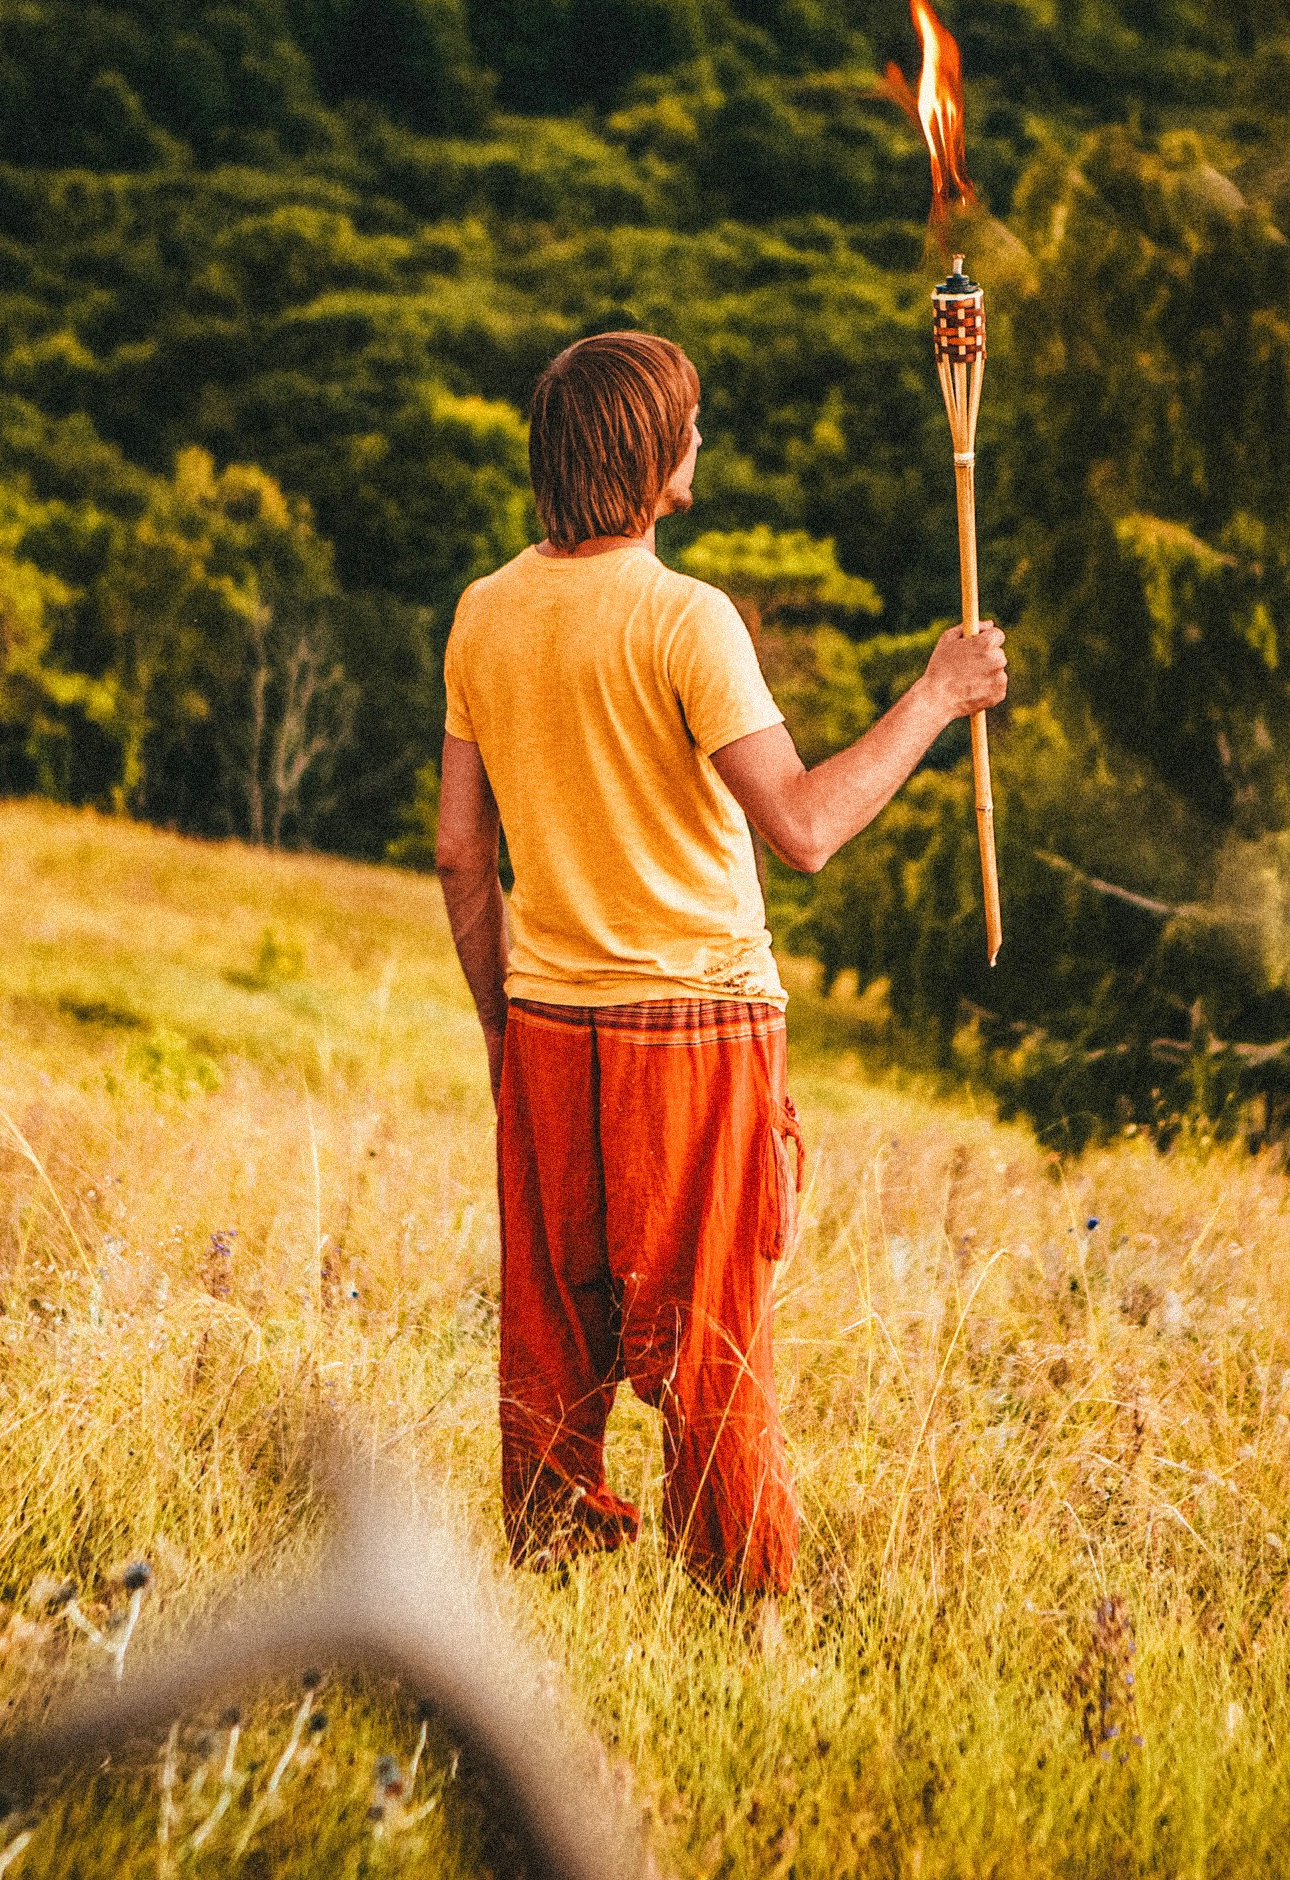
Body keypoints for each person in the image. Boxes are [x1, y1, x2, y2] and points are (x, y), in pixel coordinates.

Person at [433, 330, 1006, 1628]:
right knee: (712, 1348)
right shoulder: (687, 620)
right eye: (687, 423)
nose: (701, 439)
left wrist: (501, 1031)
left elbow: (463, 853)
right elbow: (802, 828)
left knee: (551, 1348)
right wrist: (935, 695)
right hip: (696, 1026)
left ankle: (552, 1606)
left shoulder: (482, 613)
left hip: (549, 1021)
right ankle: (742, 1622)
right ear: (647, 457)